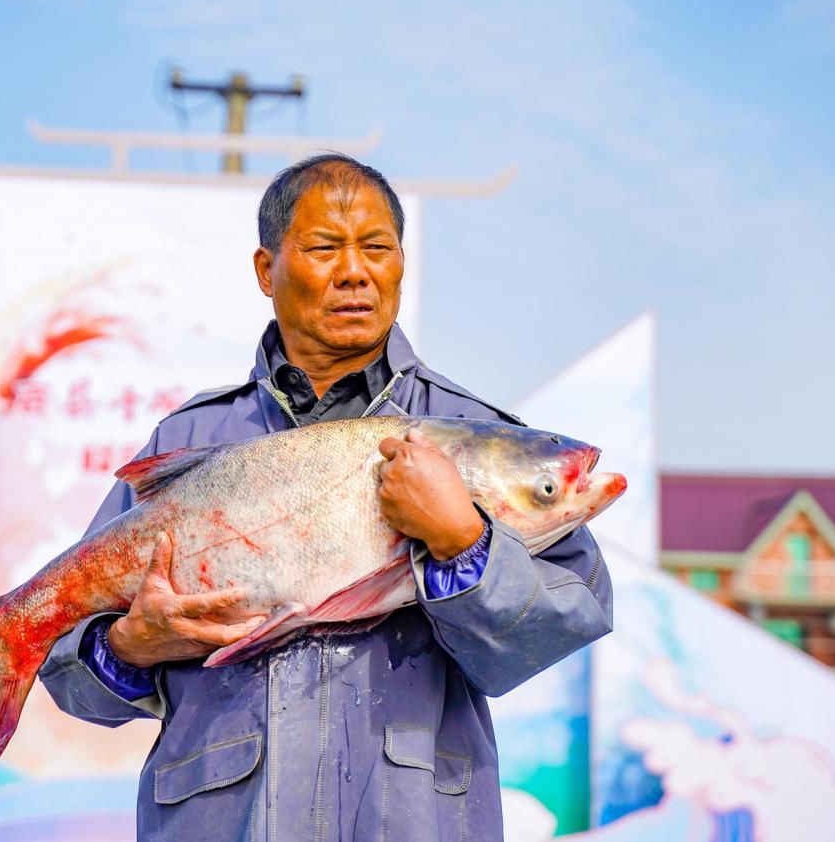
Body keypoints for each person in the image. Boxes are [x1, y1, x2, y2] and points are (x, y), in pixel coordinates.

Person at [39, 154, 614, 842]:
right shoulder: (191, 434)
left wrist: (465, 543)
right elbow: (69, 673)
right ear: (265, 270)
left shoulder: (480, 445)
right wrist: (131, 646)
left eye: (377, 248)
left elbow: (568, 617)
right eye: (323, 248)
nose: (355, 271)